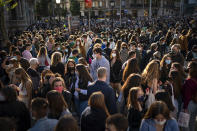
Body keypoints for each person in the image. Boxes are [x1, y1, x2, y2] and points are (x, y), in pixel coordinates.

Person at [182, 61, 197, 131]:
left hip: (189, 104)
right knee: (192, 123)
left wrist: (185, 107)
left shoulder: (189, 81)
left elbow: (187, 96)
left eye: (188, 66)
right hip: (195, 103)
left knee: (185, 125)